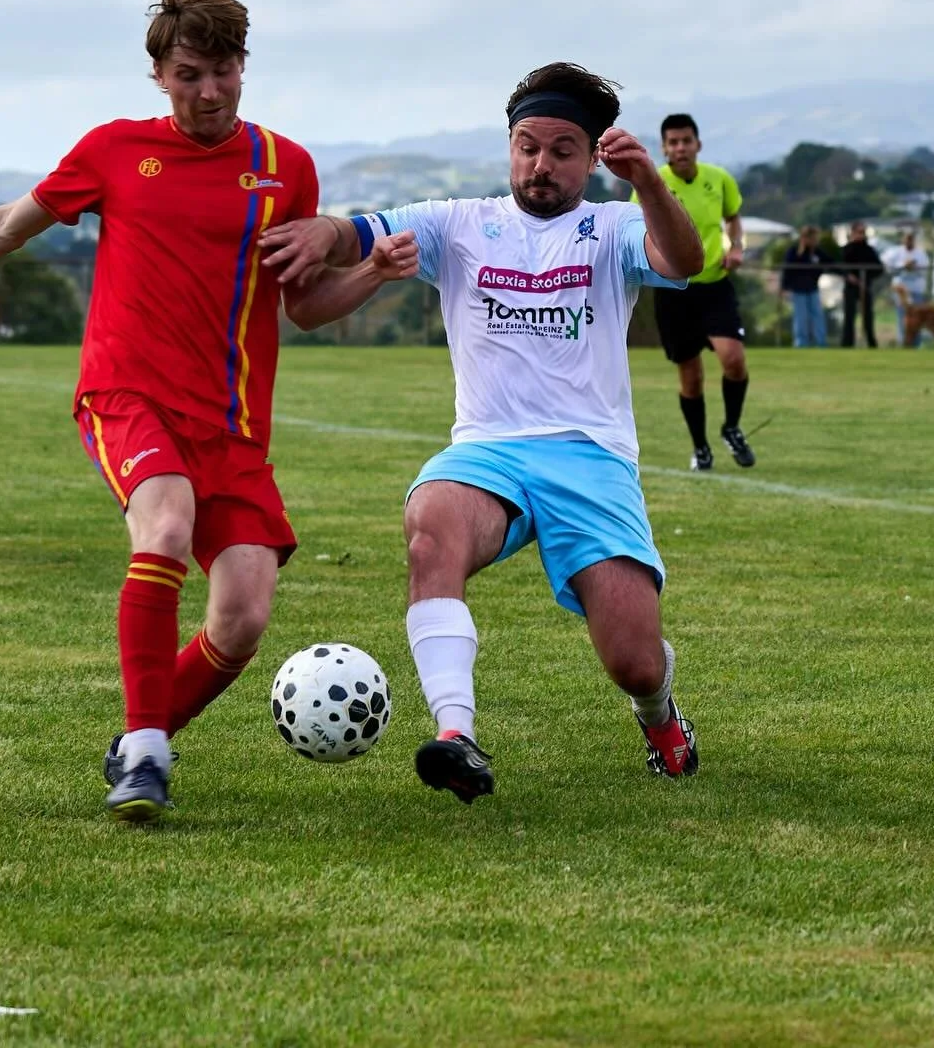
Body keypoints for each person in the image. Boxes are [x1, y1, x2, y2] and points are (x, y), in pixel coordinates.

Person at [0, 0, 406, 825]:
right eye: (189, 74)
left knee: (242, 616)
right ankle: (150, 753)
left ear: (244, 67)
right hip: (126, 394)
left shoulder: (285, 168)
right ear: (159, 74)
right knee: (162, 524)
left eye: (224, 72)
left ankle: (141, 740)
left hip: (230, 424)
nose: (209, 92)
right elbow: (2, 229)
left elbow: (301, 305)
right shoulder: (116, 152)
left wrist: (370, 276)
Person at [261, 64, 706, 802]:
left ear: (593, 158)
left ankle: (660, 715)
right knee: (431, 522)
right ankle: (455, 733)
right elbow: (359, 234)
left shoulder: (613, 225)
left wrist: (650, 184)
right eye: (528, 146)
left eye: (564, 150)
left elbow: (684, 261)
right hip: (488, 452)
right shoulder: (459, 222)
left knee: (633, 660)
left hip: (589, 457)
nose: (541, 164)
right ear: (509, 147)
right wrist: (324, 230)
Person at [639, 115, 752, 472]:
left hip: (715, 285)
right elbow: (639, 228)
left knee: (733, 359)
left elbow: (733, 217)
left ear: (698, 144)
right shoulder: (652, 184)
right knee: (691, 376)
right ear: (664, 148)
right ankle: (700, 447)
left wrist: (736, 248)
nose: (680, 148)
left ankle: (731, 428)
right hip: (674, 291)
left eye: (686, 141)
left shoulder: (719, 179)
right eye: (672, 142)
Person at [779, 226, 830, 348]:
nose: (815, 241)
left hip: (812, 289)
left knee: (817, 316)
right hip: (798, 290)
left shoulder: (817, 252)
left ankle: (821, 343)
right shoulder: (794, 251)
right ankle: (801, 343)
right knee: (800, 318)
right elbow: (787, 270)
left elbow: (830, 262)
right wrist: (784, 287)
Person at [881, 230, 929, 346]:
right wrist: (903, 265)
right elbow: (887, 265)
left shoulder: (921, 254)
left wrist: (914, 267)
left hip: (916, 289)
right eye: (907, 238)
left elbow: (925, 270)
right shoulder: (895, 252)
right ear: (903, 240)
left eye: (911, 239)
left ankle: (916, 344)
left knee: (917, 317)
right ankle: (904, 343)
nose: (909, 241)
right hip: (901, 290)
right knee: (902, 317)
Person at [839, 222, 883, 348]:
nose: (861, 235)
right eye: (858, 232)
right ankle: (847, 343)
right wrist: (848, 276)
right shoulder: (847, 249)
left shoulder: (869, 250)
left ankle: (871, 343)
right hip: (851, 287)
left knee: (868, 316)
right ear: (852, 233)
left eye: (863, 233)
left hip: (865, 286)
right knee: (849, 315)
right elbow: (841, 266)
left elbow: (878, 268)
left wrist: (866, 277)